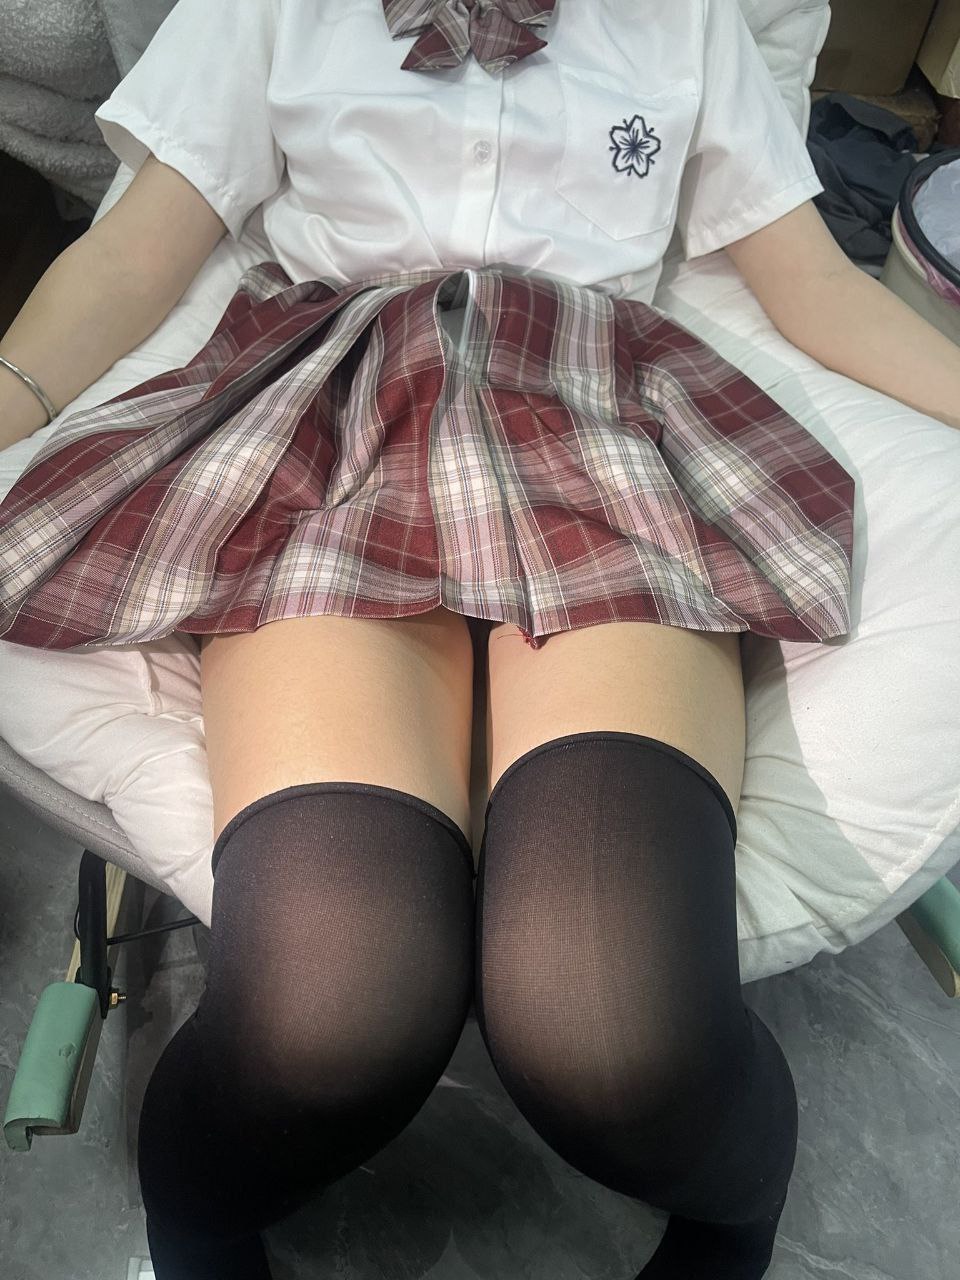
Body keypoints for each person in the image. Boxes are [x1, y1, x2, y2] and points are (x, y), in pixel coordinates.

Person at [1, 2, 958, 1277]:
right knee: (330, 1007)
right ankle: (200, 1228)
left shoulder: (684, 21)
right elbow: (132, 255)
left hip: (597, 418)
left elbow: (815, 284)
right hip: (337, 418)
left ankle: (731, 1223)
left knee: (617, 1030)